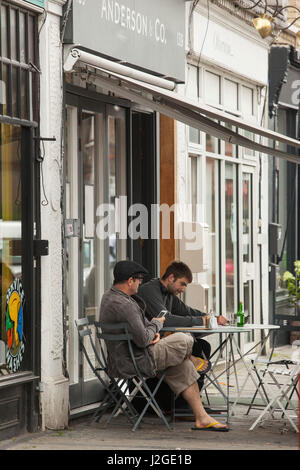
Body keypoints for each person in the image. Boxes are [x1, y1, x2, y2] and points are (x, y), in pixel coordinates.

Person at [99, 260, 228, 432]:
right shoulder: (125, 304)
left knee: (183, 366)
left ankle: (202, 418)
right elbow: (144, 337)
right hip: (136, 360)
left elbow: (144, 333)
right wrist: (156, 325)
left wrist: (153, 332)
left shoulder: (112, 298)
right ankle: (188, 355)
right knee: (184, 338)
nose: (140, 283)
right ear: (130, 280)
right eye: (138, 280)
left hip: (132, 355)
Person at [138, 260, 227, 411]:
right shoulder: (150, 291)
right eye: (182, 284)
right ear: (171, 277)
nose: (183, 289)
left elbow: (187, 311)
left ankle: (191, 403)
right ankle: (183, 406)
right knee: (194, 348)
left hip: (158, 344)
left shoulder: (169, 294)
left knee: (202, 346)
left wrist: (211, 317)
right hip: (146, 349)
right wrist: (201, 320)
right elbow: (166, 321)